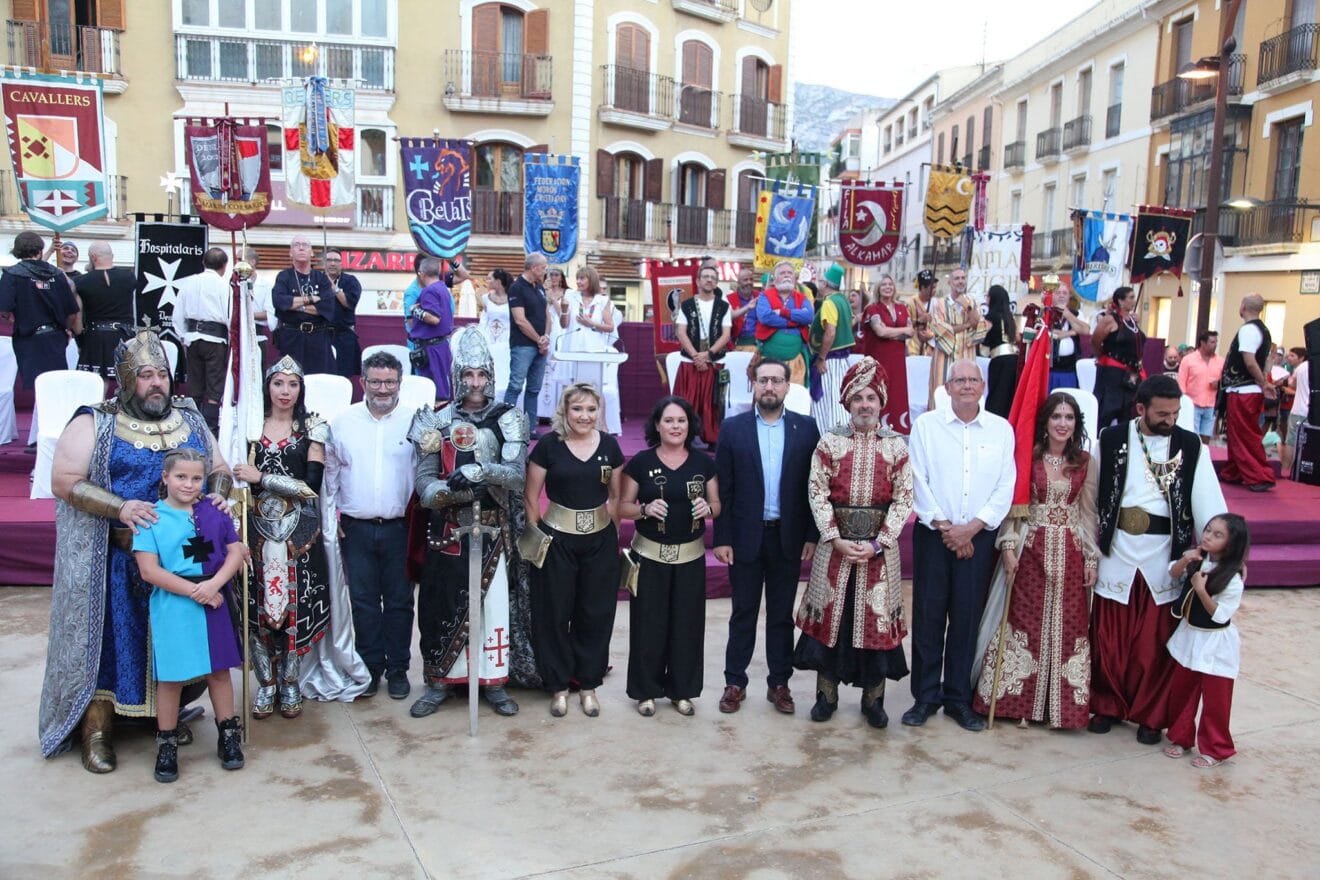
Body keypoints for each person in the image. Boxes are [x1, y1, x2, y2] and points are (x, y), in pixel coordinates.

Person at [39, 329, 234, 771]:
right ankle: (97, 732)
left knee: (174, 646)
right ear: (126, 380)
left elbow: (219, 468)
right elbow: (64, 480)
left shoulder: (189, 417)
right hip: (116, 563)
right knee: (110, 648)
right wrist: (121, 507)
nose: (156, 383)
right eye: (145, 375)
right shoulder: (95, 421)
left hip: (185, 564)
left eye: (162, 374)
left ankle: (157, 720)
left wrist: (219, 493)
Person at [1090, 374, 1227, 744]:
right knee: (1109, 636)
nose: (1170, 420)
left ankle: (1150, 715)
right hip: (1117, 547)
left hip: (1164, 552)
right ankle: (1106, 705)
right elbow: (1092, 491)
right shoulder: (1111, 438)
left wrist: (1220, 553)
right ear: (1141, 408)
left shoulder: (1190, 445)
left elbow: (1209, 502)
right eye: (1162, 414)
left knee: (1153, 642)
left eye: (1175, 413)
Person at [408, 331, 532, 718]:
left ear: (491, 376)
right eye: (468, 374)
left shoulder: (507, 418)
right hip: (447, 531)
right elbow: (424, 483)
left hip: (493, 529)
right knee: (441, 607)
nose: (475, 383)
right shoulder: (436, 419)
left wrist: (482, 472)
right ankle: (440, 681)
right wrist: (449, 490)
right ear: (456, 375)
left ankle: (493, 681)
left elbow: (516, 476)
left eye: (482, 375)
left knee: (493, 609)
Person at [793, 357, 913, 728]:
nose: (864, 404)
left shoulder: (896, 447)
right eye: (857, 398)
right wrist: (834, 537)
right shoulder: (830, 442)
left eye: (871, 398)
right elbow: (816, 491)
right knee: (833, 623)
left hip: (880, 554)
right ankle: (825, 697)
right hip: (834, 551)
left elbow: (904, 498)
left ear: (881, 403)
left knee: (874, 625)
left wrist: (879, 542)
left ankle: (873, 701)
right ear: (847, 402)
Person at [972, 393, 1098, 729]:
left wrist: (1091, 557)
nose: (1062, 424)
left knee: (1068, 626)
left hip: (1070, 552)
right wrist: (1008, 546)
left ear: (1076, 424)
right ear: (1045, 421)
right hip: (1031, 547)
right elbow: (1014, 507)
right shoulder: (1028, 457)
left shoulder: (1085, 462)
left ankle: (1059, 709)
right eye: (1056, 416)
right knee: (1024, 623)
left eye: (1069, 418)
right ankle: (1018, 704)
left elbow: (1088, 513)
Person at [906, 359, 1016, 732]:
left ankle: (957, 697)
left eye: (973, 380)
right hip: (934, 535)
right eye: (959, 380)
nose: (967, 385)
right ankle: (924, 697)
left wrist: (971, 529)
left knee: (967, 618)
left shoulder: (1000, 430)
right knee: (928, 616)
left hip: (978, 537)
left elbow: (1005, 485)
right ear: (948, 387)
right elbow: (917, 478)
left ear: (983, 387)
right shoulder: (926, 426)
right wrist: (947, 528)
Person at [713, 357, 820, 716]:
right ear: (754, 386)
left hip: (787, 538)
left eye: (776, 380)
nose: (769, 387)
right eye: (763, 381)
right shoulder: (733, 429)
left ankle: (779, 683)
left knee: (781, 615)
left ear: (788, 386)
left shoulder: (807, 429)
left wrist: (811, 534)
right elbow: (724, 489)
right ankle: (735, 682)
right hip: (745, 536)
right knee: (742, 612)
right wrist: (722, 537)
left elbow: (813, 488)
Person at [132, 448, 245, 782]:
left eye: (197, 478)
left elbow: (235, 551)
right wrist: (197, 592)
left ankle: (228, 734)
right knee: (171, 678)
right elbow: (149, 570)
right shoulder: (150, 518)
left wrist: (214, 586)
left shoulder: (214, 511)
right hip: (175, 605)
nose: (189, 484)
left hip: (215, 598)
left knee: (219, 672)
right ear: (165, 477)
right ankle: (167, 744)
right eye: (181, 477)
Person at [232, 356, 332, 720]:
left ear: (301, 389)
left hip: (298, 532)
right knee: (256, 606)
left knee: (295, 606)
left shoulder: (313, 428)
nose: (285, 391)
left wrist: (262, 478)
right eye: (278, 383)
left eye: (292, 384)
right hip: (253, 529)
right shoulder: (248, 425)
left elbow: (311, 487)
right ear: (267, 386)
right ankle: (266, 683)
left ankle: (290, 681)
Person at [525, 383, 624, 717]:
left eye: (591, 409)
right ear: (565, 411)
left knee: (595, 613)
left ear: (599, 411)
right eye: (577, 409)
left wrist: (612, 535)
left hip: (599, 541)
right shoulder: (548, 446)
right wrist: (538, 537)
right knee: (554, 613)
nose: (584, 416)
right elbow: (531, 497)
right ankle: (558, 686)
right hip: (557, 541)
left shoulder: (609, 446)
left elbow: (616, 497)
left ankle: (589, 684)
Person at [619, 395, 719, 716]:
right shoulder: (641, 463)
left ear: (690, 425)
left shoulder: (703, 463)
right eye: (669, 421)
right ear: (657, 425)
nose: (676, 426)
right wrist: (644, 509)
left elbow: (717, 505)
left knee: (687, 626)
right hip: (649, 556)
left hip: (690, 558)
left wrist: (708, 509)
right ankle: (646, 691)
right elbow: (622, 507)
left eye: (681, 421)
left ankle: (682, 691)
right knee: (648, 624)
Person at [330, 350, 416, 699]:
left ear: (400, 383)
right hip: (356, 528)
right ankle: (369, 668)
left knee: (399, 602)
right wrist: (330, 518)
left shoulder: (415, 421)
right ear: (363, 382)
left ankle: (398, 669)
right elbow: (331, 475)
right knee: (363, 602)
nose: (383, 389)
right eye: (376, 382)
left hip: (401, 529)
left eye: (390, 382)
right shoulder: (343, 422)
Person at [1163, 514, 1248, 769]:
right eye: (1208, 530)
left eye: (1217, 535)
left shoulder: (1232, 577)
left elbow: (1221, 615)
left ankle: (1216, 749)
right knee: (1183, 690)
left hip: (1215, 643)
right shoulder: (1198, 558)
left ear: (1231, 544)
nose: (1208, 536)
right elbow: (1172, 572)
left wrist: (1201, 590)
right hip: (1191, 636)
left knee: (1216, 699)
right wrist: (1185, 559)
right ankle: (1180, 737)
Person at [0, 230, 80, 390]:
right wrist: (66, 329)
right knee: (56, 387)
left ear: (17, 250)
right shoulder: (58, 274)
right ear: (40, 249)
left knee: (38, 389)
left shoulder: (12, 275)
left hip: (29, 339)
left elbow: (3, 311)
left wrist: (14, 319)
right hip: (55, 337)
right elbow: (72, 312)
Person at [1218, 294, 1276, 492]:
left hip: (1243, 390)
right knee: (1238, 434)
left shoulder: (1248, 330)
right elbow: (1266, 361)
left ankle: (1259, 476)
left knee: (1244, 435)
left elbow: (1250, 362)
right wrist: (1264, 380)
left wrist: (1263, 383)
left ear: (1243, 307)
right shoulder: (1264, 330)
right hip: (1248, 390)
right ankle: (1233, 472)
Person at [173, 247, 231, 433]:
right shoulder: (224, 286)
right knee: (214, 386)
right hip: (215, 340)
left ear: (204, 262)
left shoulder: (188, 283)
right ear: (224, 266)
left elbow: (178, 314)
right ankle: (210, 428)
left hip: (192, 338)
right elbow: (230, 316)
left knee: (195, 385)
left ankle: (193, 426)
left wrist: (184, 336)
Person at [549, 265, 617, 418]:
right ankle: (563, 424)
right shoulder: (570, 295)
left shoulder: (602, 300)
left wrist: (591, 323)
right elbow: (564, 324)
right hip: (572, 348)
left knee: (595, 390)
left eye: (582, 278)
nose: (578, 282)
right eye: (577, 278)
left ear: (591, 280)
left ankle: (602, 426)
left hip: (593, 350)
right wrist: (564, 310)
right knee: (569, 390)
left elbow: (610, 327)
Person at [675, 264, 732, 445]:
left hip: (714, 361)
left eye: (713, 278)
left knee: (713, 403)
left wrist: (708, 355)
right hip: (689, 362)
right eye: (705, 276)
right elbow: (681, 332)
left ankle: (713, 438)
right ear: (698, 281)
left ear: (716, 283)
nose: (709, 280)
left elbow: (726, 335)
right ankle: (684, 437)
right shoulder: (687, 305)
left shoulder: (724, 307)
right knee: (687, 402)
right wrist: (696, 356)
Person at [271, 235, 336, 374]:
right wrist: (311, 299)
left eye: (305, 245)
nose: (301, 248)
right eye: (296, 245)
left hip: (318, 340)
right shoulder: (284, 276)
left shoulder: (322, 278)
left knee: (319, 380)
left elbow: (327, 307)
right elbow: (280, 302)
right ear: (290, 253)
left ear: (311, 252)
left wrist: (294, 305)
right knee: (291, 378)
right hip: (291, 338)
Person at [73, 242, 137, 380]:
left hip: (95, 338)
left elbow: (77, 324)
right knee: (127, 382)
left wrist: (78, 335)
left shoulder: (80, 282)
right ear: (112, 256)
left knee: (96, 382)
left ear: (93, 257)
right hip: (124, 336)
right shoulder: (129, 277)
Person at [505, 253, 550, 436]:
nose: (546, 270)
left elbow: (547, 314)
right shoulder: (517, 288)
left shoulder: (539, 287)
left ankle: (530, 428)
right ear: (534, 267)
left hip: (540, 346)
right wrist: (539, 340)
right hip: (523, 345)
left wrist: (546, 336)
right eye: (544, 267)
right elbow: (520, 320)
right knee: (515, 386)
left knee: (534, 389)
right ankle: (506, 426)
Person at [808, 264, 856, 434]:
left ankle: (828, 438)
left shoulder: (829, 303)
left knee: (828, 403)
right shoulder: (843, 300)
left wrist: (821, 358)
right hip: (842, 361)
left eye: (821, 281)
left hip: (829, 361)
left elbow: (830, 332)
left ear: (826, 284)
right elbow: (850, 323)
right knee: (839, 401)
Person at [861, 275, 913, 433]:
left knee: (897, 394)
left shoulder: (902, 308)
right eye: (884, 284)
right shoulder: (872, 309)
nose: (887, 287)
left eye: (890, 284)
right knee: (879, 392)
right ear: (878, 288)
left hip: (897, 362)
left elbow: (910, 332)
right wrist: (901, 331)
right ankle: (876, 429)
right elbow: (880, 331)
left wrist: (891, 332)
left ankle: (899, 430)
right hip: (879, 360)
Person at [1091, 286, 1146, 428]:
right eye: (1130, 297)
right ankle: (1099, 436)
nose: (1133, 301)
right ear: (1121, 301)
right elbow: (1096, 340)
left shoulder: (1132, 320)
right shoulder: (1110, 320)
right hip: (1113, 372)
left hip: (1130, 372)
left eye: (1134, 297)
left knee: (1126, 411)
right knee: (1108, 409)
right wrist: (1102, 357)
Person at [926, 268, 981, 407]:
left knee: (966, 390)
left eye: (963, 278)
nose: (960, 281)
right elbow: (941, 329)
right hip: (944, 356)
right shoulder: (939, 303)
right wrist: (966, 325)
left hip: (966, 354)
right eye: (957, 278)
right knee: (941, 392)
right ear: (949, 282)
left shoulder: (972, 302)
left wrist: (967, 308)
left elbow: (978, 325)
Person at [755, 261, 814, 386]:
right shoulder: (765, 296)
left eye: (790, 273)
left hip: (795, 363)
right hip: (769, 362)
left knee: (794, 395)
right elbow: (766, 317)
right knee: (769, 393)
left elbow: (809, 316)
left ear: (794, 278)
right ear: (775, 279)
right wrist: (795, 322)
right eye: (782, 273)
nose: (787, 275)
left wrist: (783, 312)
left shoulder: (802, 298)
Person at [408, 257, 455, 401]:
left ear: (421, 273)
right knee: (440, 386)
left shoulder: (429, 291)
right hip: (440, 345)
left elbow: (434, 318)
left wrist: (414, 310)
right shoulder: (442, 288)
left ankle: (436, 415)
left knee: (432, 390)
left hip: (431, 348)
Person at [1177, 331, 1223, 444]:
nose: (1215, 345)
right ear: (1203, 343)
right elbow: (1181, 382)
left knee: (1206, 437)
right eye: (1212, 342)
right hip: (1193, 404)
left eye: (1216, 342)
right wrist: (1184, 403)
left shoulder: (1220, 361)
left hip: (1211, 405)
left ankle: (1204, 454)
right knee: (1193, 436)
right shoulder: (1188, 360)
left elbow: (1225, 381)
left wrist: (1219, 384)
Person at [982, 284, 1018, 419]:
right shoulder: (1010, 317)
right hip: (1013, 359)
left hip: (1000, 360)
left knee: (997, 395)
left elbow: (983, 338)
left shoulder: (990, 317)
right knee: (1009, 395)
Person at [325, 251, 363, 379]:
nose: (332, 263)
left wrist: (334, 287)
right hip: (322, 335)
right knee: (322, 375)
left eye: (336, 260)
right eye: (329, 260)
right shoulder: (317, 280)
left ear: (342, 263)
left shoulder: (350, 281)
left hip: (344, 335)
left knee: (344, 377)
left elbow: (348, 303)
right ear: (324, 263)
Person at [480, 268, 514, 399]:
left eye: (490, 279)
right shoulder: (485, 298)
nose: (487, 281)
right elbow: (484, 319)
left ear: (498, 281)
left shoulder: (513, 298)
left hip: (506, 340)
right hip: (489, 339)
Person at [1046, 290, 1088, 391]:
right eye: (1058, 293)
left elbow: (1085, 330)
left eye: (1065, 293)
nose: (1061, 296)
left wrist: (1068, 316)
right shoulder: (1046, 312)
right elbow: (1049, 332)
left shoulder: (1076, 314)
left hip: (1069, 367)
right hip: (1050, 366)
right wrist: (1072, 332)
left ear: (1069, 297)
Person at [1282, 348, 1310, 477]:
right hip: (1312, 411)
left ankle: (1286, 470)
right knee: (1308, 443)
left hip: (1298, 409)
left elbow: (1292, 385)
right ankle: (1302, 472)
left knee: (1291, 441)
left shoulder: (1301, 368)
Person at [727, 267, 760, 352]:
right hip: (736, 345)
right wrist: (731, 347)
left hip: (758, 344)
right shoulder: (728, 299)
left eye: (751, 279)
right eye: (745, 280)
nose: (749, 282)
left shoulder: (760, 296)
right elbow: (725, 323)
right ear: (738, 283)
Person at [401, 253, 428, 355]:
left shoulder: (435, 282)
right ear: (421, 272)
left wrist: (452, 260)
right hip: (419, 347)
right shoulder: (412, 293)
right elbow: (411, 322)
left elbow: (463, 276)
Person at [907, 269, 937, 358]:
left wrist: (932, 334)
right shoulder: (910, 303)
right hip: (913, 349)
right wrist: (919, 320)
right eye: (932, 288)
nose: (935, 290)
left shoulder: (937, 303)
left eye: (935, 287)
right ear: (923, 288)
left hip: (931, 350)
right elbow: (904, 326)